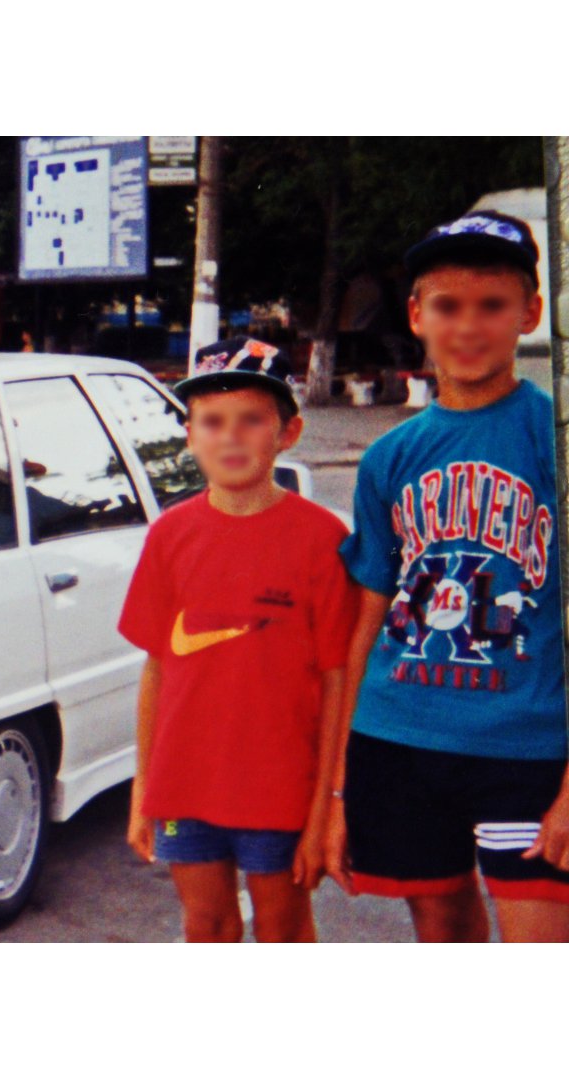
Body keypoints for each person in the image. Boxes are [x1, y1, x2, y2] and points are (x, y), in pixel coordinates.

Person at [329, 211, 569, 943]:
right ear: (417, 314)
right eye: (448, 305)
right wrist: (339, 786)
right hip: (401, 737)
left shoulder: (550, 438)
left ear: (529, 312)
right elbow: (366, 622)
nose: (469, 326)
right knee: (443, 936)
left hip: (528, 746)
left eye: (492, 305)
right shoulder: (389, 456)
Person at [118, 337, 358, 942]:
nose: (231, 437)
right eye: (213, 422)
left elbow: (337, 680)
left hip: (283, 787)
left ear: (288, 432)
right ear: (190, 435)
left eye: (251, 420)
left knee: (282, 930)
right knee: (207, 924)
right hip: (185, 782)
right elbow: (157, 669)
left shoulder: (323, 538)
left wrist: (329, 804)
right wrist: (145, 785)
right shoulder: (170, 535)